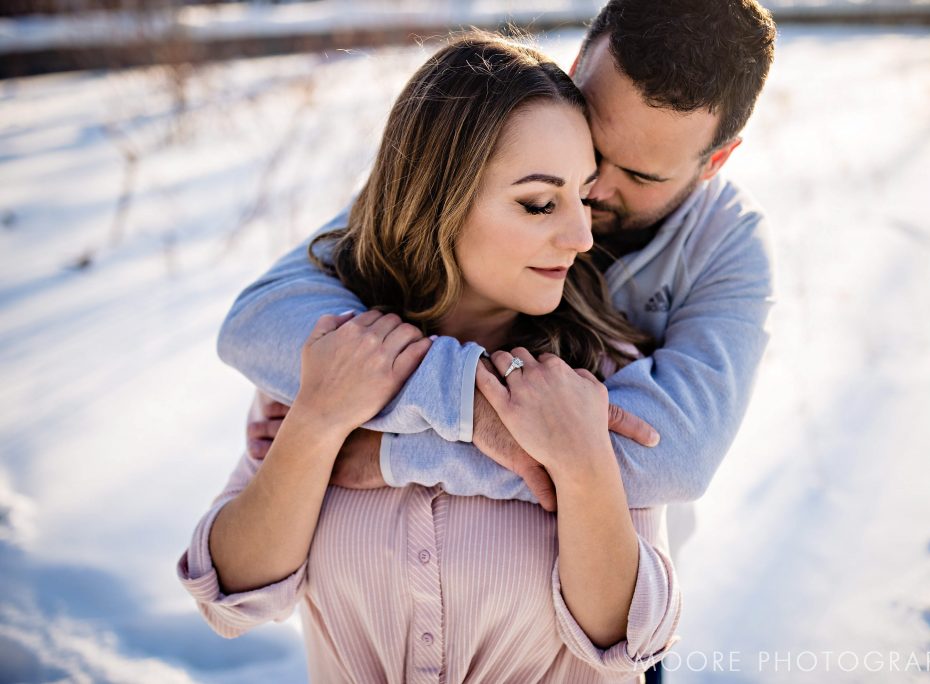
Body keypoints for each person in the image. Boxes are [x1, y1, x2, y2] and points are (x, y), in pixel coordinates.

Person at [179, 33, 680, 681]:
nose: (581, 236)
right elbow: (234, 598)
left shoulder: (598, 373)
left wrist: (584, 466)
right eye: (538, 204)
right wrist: (320, 423)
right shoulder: (342, 355)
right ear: (436, 200)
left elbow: (632, 643)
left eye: (583, 196)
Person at [227, 0, 777, 539]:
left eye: (640, 176)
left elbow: (672, 457)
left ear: (715, 162)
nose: (594, 191)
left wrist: (395, 451)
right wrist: (471, 405)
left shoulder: (729, 247)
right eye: (593, 144)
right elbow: (260, 323)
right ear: (575, 74)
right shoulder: (505, 159)